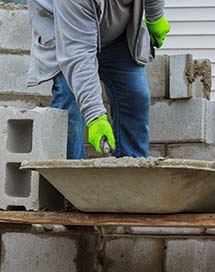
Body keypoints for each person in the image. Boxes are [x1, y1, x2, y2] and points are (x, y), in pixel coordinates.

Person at [27, 0, 170, 159]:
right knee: (71, 99)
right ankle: (69, 178)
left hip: (115, 35)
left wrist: (155, 16)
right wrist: (95, 117)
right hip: (65, 30)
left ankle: (132, 175)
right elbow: (78, 55)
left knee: (135, 97)